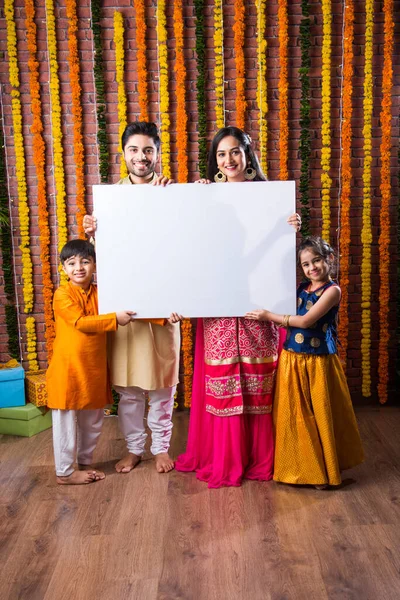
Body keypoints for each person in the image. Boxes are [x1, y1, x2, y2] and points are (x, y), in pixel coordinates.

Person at [175, 126, 301, 488]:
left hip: (259, 304)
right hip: (219, 303)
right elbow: (188, 243)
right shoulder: (208, 196)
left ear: (248, 155)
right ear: (214, 160)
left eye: (234, 152)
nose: (228, 160)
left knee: (259, 380)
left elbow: (275, 254)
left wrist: (290, 227)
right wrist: (195, 201)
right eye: (220, 154)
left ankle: (262, 457)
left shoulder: (270, 198)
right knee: (224, 380)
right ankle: (225, 456)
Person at [83, 121, 182, 475]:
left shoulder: (172, 192)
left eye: (148, 150)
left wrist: (191, 196)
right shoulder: (110, 203)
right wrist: (94, 233)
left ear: (158, 153)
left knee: (161, 387)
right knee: (128, 392)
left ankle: (161, 449)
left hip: (163, 309)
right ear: (124, 154)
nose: (142, 157)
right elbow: (101, 261)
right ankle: (134, 449)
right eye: (135, 150)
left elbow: (192, 246)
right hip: (126, 310)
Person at [245, 236, 364, 488]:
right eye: (306, 264)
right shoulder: (300, 288)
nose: (313, 268)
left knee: (318, 413)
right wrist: (285, 231)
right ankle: (304, 470)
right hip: (292, 359)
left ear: (329, 259)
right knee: (296, 415)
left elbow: (306, 321)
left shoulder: (332, 291)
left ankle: (326, 473)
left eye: (317, 260)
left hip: (318, 362)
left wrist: (268, 316)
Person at [46, 239, 134, 485]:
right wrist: (114, 319)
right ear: (63, 268)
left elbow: (127, 307)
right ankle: (64, 473)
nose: (79, 268)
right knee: (64, 421)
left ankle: (85, 462)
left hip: (93, 367)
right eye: (72, 263)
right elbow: (81, 323)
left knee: (93, 419)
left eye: (85, 261)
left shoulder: (101, 293)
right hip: (68, 367)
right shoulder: (62, 294)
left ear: (95, 264)